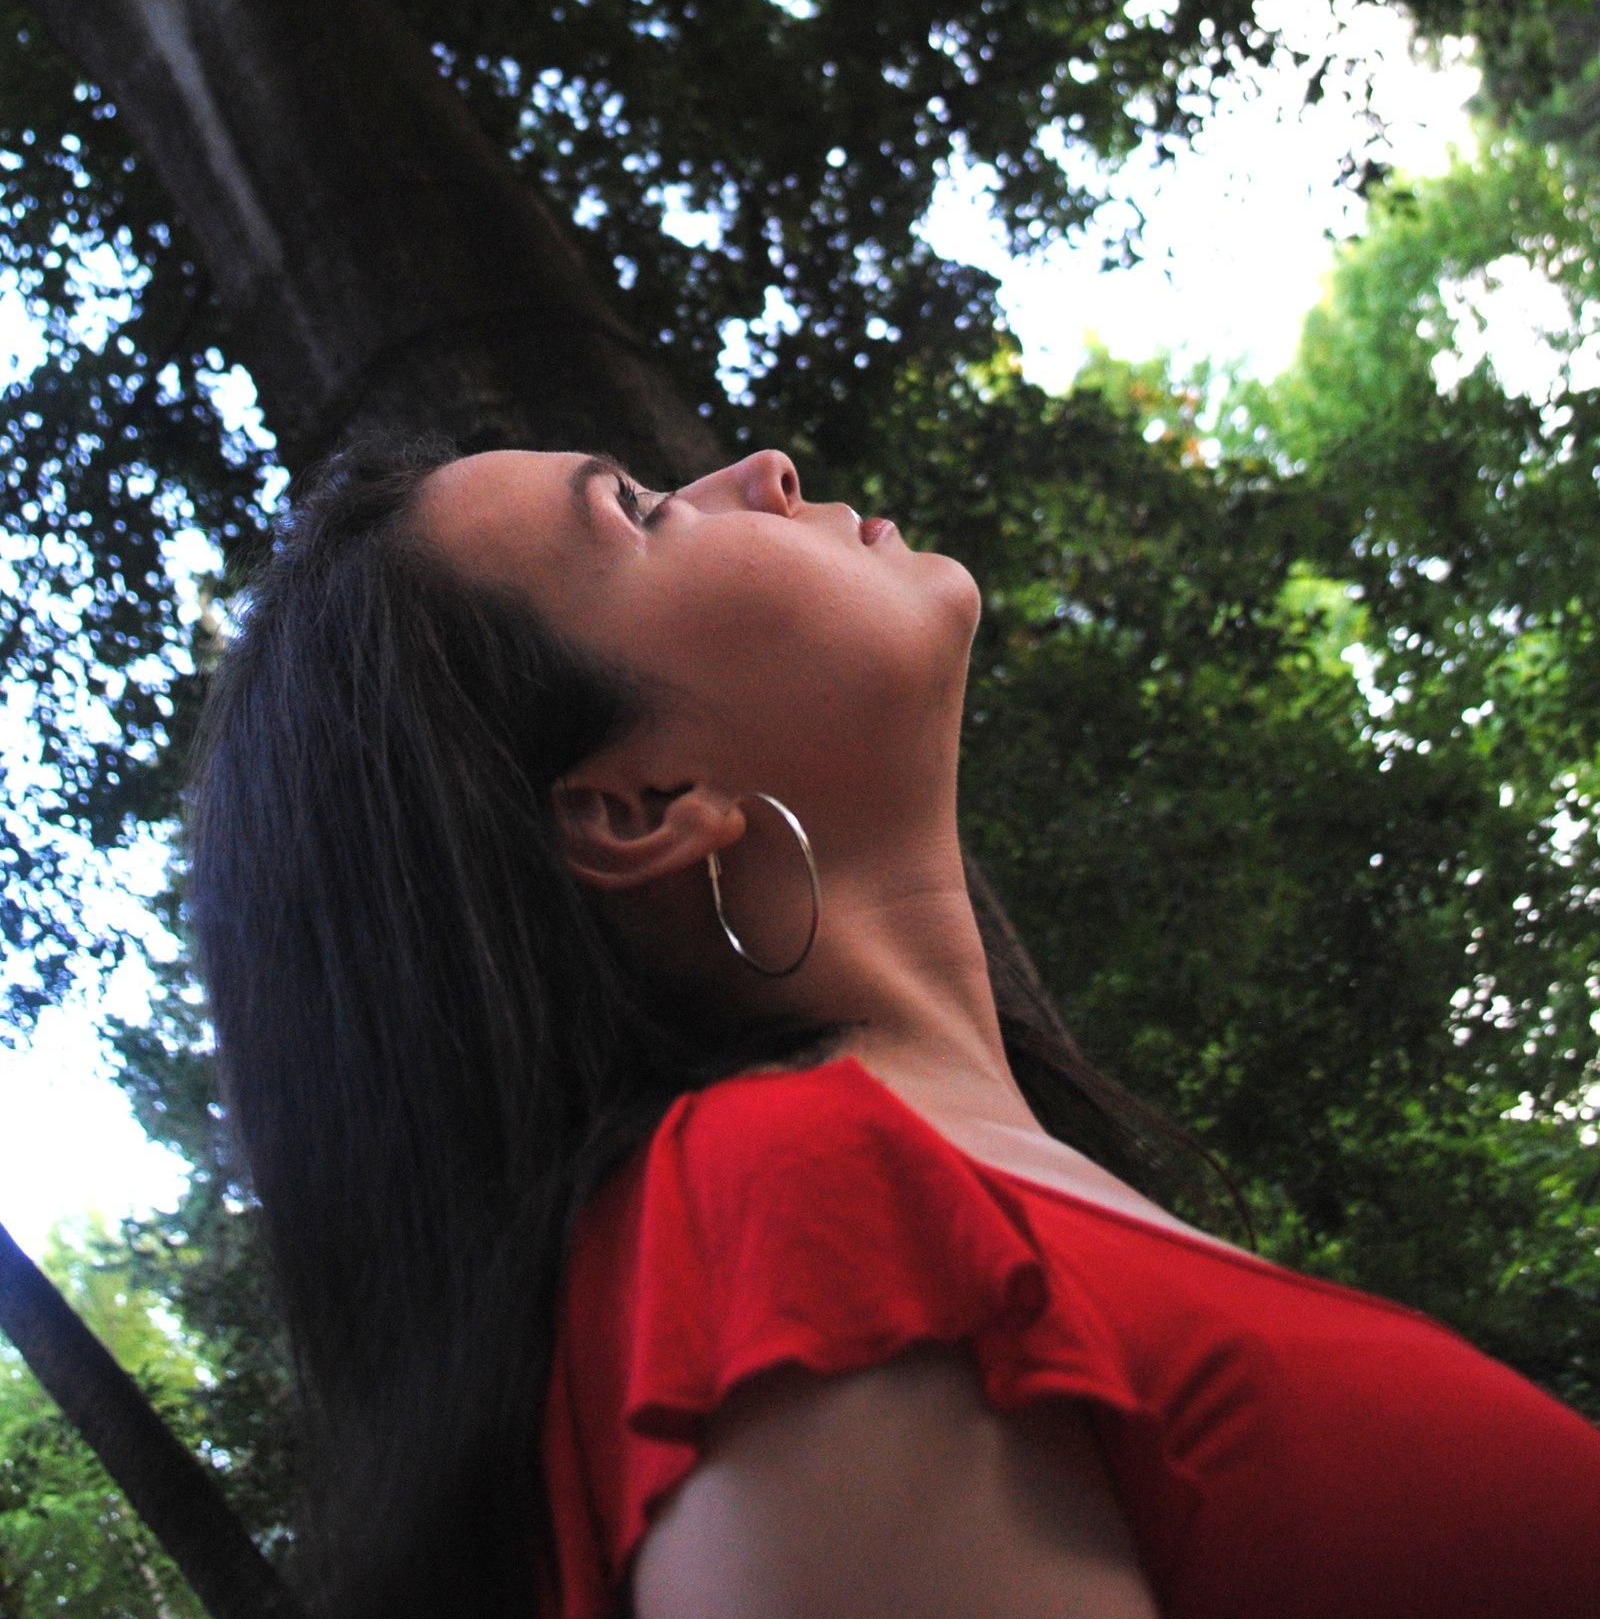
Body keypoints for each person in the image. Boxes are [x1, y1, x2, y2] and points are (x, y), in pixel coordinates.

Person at [187, 436, 1600, 1619]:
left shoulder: (904, 1216)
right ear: (639, 803)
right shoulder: (775, 1216)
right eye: (643, 511)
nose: (763, 471)